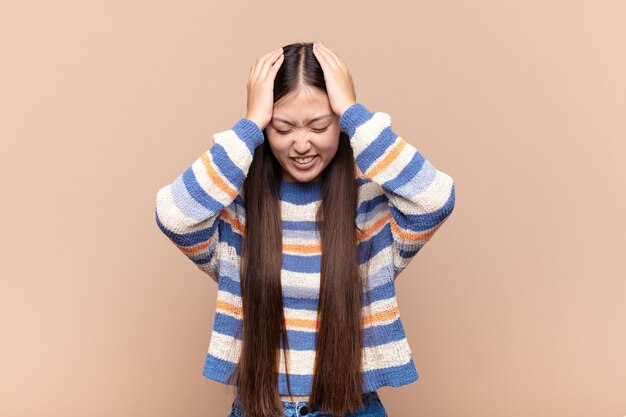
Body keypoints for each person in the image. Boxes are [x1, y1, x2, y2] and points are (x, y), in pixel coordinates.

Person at [155, 41, 456, 417]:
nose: (301, 144)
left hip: (352, 408)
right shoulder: (237, 214)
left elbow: (436, 198)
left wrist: (353, 113)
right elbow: (173, 214)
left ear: (341, 127)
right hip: (259, 408)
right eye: (282, 128)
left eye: (319, 126)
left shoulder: (370, 210)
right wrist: (249, 126)